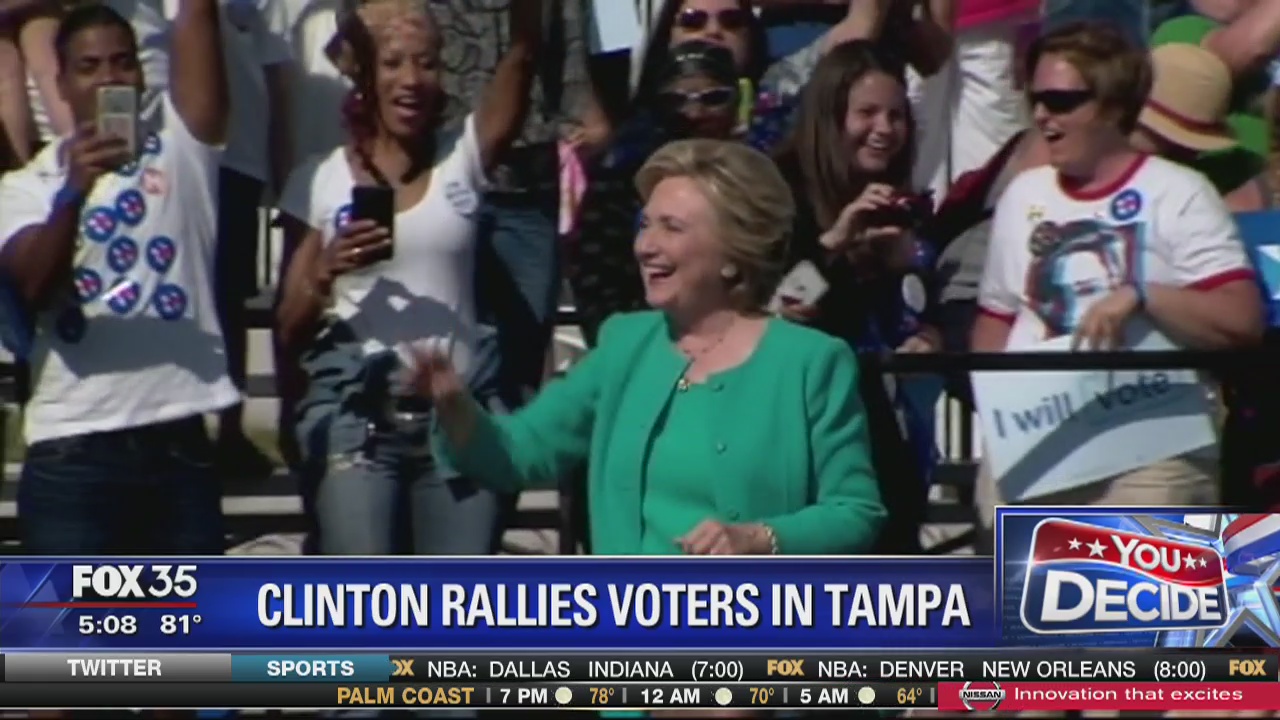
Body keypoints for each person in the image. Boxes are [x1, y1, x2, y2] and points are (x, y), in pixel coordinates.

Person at [414, 139, 887, 557]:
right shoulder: (625, 345)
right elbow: (518, 454)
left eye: (672, 228)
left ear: (732, 253)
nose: (645, 246)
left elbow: (855, 513)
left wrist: (757, 538)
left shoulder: (810, 363)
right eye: (645, 225)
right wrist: (454, 404)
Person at [971, 22, 1264, 539]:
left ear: (1111, 106)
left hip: (1149, 452)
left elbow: (1241, 318)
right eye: (1037, 98)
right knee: (1026, 615)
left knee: (1136, 616)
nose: (1042, 114)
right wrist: (1000, 413)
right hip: (1037, 449)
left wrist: (1145, 295)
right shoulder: (1023, 195)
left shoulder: (1181, 193)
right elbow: (996, 318)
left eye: (1062, 100)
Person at [274, 0, 542, 556]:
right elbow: (288, 326)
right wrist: (324, 271)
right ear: (365, 76)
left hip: (457, 420)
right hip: (360, 424)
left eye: (426, 63)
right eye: (393, 63)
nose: (411, 79)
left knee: (452, 624)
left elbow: (521, 57)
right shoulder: (318, 179)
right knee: (365, 613)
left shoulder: (462, 159)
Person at [0, 0, 233, 553]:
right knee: (75, 640)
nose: (110, 79)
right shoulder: (27, 188)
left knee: (187, 637)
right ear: (61, 82)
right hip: (73, 454)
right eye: (90, 67)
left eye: (123, 62)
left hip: (177, 441)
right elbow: (30, 286)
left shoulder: (182, 152)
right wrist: (75, 191)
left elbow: (197, 15)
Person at [772, 39, 938, 553]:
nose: (884, 130)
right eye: (866, 113)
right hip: (798, 419)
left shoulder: (903, 199)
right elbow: (776, 304)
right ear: (830, 116)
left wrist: (925, 328)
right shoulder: (782, 192)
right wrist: (836, 243)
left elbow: (918, 303)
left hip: (880, 411)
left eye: (896, 115)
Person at [569, 40, 743, 347]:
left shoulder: (760, 181)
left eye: (714, 98)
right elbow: (600, 300)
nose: (694, 112)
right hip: (646, 345)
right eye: (676, 99)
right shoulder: (616, 187)